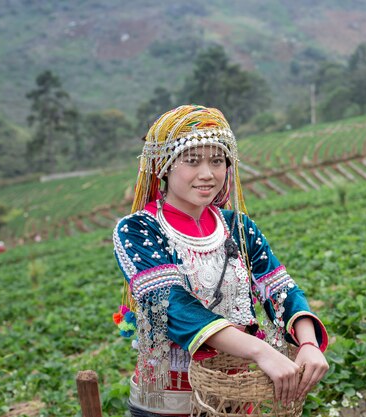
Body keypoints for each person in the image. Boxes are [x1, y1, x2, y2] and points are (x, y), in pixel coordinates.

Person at [112, 105, 329, 416]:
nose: (207, 174)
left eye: (217, 161)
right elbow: (172, 306)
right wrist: (261, 351)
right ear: (164, 166)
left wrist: (307, 343)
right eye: (191, 161)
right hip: (170, 405)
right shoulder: (138, 230)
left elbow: (281, 290)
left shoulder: (239, 227)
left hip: (238, 395)